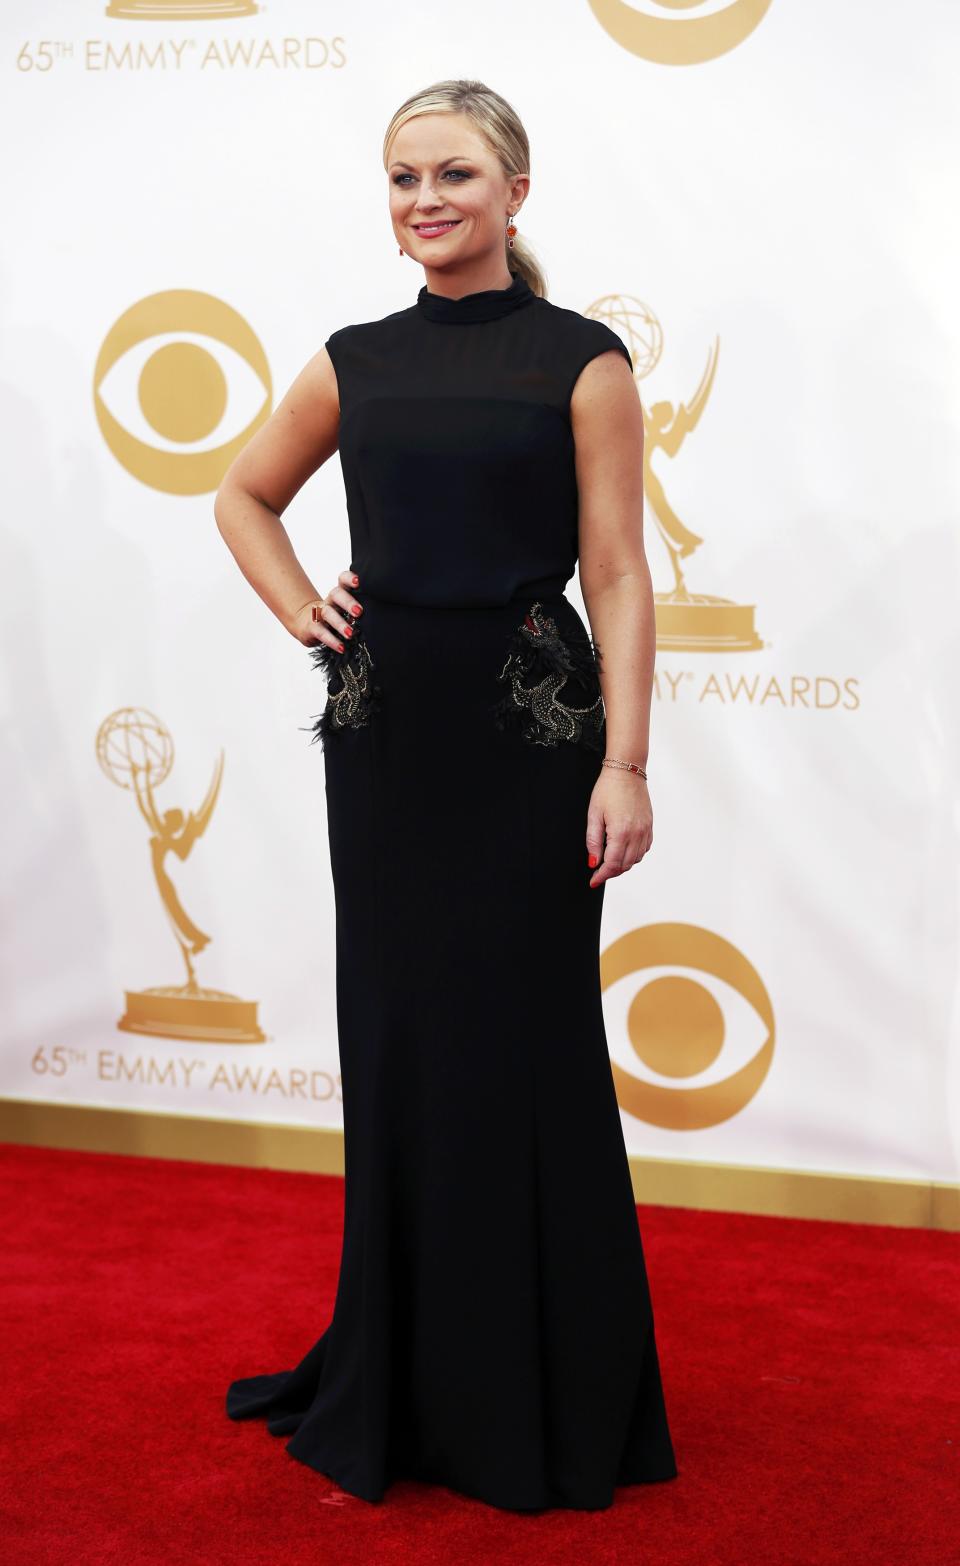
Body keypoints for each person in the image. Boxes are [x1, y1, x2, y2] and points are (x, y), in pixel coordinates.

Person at [215, 77, 678, 1513]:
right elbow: (243, 495)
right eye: (407, 177)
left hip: (534, 728)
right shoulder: (354, 359)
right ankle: (405, 1375)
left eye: (458, 176)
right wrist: (308, 608)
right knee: (405, 1047)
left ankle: (543, 1387)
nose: (428, 200)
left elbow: (615, 572)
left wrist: (625, 758)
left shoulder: (582, 361)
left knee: (531, 1052)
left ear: (515, 194)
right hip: (392, 735)